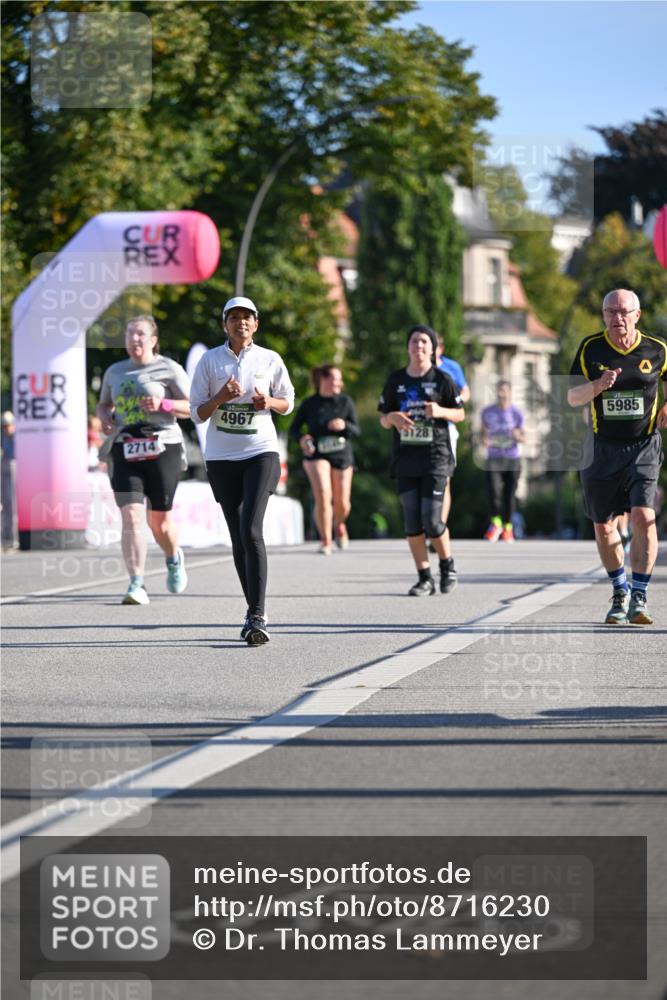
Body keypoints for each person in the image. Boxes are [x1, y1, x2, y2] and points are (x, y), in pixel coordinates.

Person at [190, 296, 295, 645]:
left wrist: (269, 402)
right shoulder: (210, 361)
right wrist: (220, 397)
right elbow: (197, 413)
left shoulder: (270, 359)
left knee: (251, 529)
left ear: (256, 324)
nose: (241, 323)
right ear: (225, 325)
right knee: (238, 536)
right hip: (222, 458)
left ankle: (258, 614)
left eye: (247, 317)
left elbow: (288, 402)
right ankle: (252, 613)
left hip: (260, 452)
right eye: (234, 318)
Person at [568, 288, 667, 626]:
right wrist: (598, 385)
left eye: (623, 312)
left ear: (637, 315)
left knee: (643, 516)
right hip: (602, 448)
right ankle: (620, 590)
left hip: (644, 445)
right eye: (610, 311)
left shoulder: (657, 349)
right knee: (603, 524)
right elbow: (571, 396)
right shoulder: (591, 348)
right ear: (603, 315)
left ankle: (639, 594)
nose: (617, 318)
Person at [97, 315, 190, 605]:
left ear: (153, 340)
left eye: (140, 334)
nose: (134, 339)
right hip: (125, 446)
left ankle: (173, 557)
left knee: (159, 523)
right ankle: (136, 583)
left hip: (162, 445)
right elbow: (103, 404)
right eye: (129, 334)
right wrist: (105, 418)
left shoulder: (169, 368)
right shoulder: (115, 371)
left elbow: (194, 407)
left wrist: (164, 404)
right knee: (131, 516)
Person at [378, 324, 464, 596]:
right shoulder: (395, 380)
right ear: (408, 347)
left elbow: (460, 414)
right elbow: (383, 417)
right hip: (406, 458)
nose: (419, 346)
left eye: (425, 342)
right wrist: (391, 418)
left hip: (436, 457)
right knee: (412, 522)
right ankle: (424, 577)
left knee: (432, 519)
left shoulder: (442, 379)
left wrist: (439, 411)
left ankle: (447, 565)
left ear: (433, 348)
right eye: (414, 341)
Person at [289, 364, 359, 554]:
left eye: (340, 379)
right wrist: (302, 439)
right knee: (323, 494)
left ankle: (339, 524)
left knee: (342, 503)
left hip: (342, 454)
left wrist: (344, 425)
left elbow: (356, 430)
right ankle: (326, 540)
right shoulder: (310, 404)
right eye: (335, 379)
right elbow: (294, 429)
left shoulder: (345, 402)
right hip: (317, 453)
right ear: (323, 380)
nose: (339, 383)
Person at [481, 381, 525, 542]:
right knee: (493, 492)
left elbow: (524, 438)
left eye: (505, 391)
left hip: (512, 458)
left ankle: (508, 528)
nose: (502, 394)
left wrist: (517, 436)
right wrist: (484, 439)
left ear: (510, 393)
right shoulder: (487, 412)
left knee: (509, 495)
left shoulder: (517, 413)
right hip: (494, 458)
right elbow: (482, 433)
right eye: (499, 391)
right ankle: (496, 524)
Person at [435, 334, 471, 524]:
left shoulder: (451, 367)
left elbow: (466, 392)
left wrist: (453, 402)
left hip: (446, 428)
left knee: (444, 479)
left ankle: (439, 526)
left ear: (440, 349)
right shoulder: (416, 369)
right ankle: (425, 524)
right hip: (421, 430)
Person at [1, 410, 17, 551]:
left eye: (8, 425)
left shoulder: (19, 438)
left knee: (13, 504)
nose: (6, 428)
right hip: (4, 468)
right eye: (4, 426)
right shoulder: (2, 438)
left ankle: (14, 538)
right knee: (5, 504)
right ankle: (6, 538)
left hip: (15, 469)